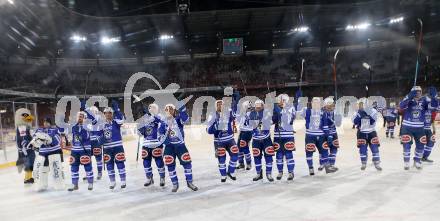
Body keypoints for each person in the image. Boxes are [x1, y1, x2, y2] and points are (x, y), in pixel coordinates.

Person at [297, 95, 338, 175]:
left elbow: (325, 125)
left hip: (321, 136)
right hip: (310, 135)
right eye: (314, 103)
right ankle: (311, 168)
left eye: (318, 103)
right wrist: (299, 105)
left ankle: (327, 168)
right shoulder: (306, 110)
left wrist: (328, 135)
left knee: (324, 151)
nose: (316, 104)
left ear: (320, 104)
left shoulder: (323, 112)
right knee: (309, 151)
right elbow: (296, 114)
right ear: (311, 103)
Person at [399, 86, 438, 170]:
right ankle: (406, 162)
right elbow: (401, 106)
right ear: (413, 92)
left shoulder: (425, 100)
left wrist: (434, 98)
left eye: (420, 91)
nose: (419, 93)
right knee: (406, 144)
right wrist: (409, 98)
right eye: (416, 92)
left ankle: (417, 161)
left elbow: (434, 107)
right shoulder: (408, 98)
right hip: (407, 126)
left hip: (419, 127)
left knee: (421, 144)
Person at [163, 103, 198, 192]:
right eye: (167, 109)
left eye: (171, 109)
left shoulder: (178, 119)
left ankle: (189, 182)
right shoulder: (162, 121)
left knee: (187, 164)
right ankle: (175, 184)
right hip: (169, 147)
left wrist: (182, 110)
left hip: (180, 145)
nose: (169, 111)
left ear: (174, 111)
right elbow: (159, 134)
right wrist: (164, 140)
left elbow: (185, 120)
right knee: (170, 165)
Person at [207, 100, 239, 182]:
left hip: (230, 139)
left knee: (235, 155)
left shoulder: (228, 112)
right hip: (219, 141)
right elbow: (208, 131)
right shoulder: (212, 115)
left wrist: (235, 101)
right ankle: (223, 175)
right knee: (221, 159)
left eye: (222, 104)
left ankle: (231, 172)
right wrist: (216, 125)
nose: (220, 106)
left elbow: (236, 114)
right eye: (218, 104)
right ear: (215, 106)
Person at [31, 117, 65, 191]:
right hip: (43, 153)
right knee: (43, 169)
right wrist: (35, 143)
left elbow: (58, 139)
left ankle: (59, 184)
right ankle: (42, 185)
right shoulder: (39, 130)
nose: (45, 123)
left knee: (57, 168)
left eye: (47, 122)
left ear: (50, 123)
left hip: (54, 151)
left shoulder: (55, 130)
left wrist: (50, 140)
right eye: (44, 122)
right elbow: (34, 138)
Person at [138, 103, 167, 187]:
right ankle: (149, 178)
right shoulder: (145, 118)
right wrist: (140, 130)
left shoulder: (161, 116)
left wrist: (153, 116)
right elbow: (142, 131)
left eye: (153, 107)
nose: (151, 109)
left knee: (159, 161)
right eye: (150, 107)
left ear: (157, 109)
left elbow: (162, 124)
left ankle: (162, 178)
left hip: (157, 143)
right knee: (146, 162)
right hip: (146, 143)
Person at [102, 101, 127, 189]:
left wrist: (117, 110)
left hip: (117, 147)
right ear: (104, 114)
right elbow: (98, 134)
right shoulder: (102, 124)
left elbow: (121, 119)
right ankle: (112, 181)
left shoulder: (116, 122)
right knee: (109, 165)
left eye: (110, 113)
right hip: (107, 148)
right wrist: (100, 140)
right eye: (106, 113)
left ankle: (123, 180)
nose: (108, 114)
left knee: (120, 163)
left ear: (112, 114)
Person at [352, 98, 382, 171]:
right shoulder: (356, 112)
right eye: (361, 104)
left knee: (375, 148)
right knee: (363, 149)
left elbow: (373, 122)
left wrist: (367, 115)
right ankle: (363, 162)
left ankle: (377, 162)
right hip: (361, 133)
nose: (362, 106)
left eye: (364, 104)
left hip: (371, 132)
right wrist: (360, 115)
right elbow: (355, 122)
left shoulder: (373, 111)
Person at [249, 99, 275, 182]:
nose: (258, 108)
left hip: (266, 139)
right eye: (256, 107)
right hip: (256, 139)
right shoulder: (251, 114)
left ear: (263, 106)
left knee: (269, 156)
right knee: (257, 157)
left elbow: (272, 122)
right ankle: (258, 173)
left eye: (259, 107)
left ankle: (269, 173)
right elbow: (250, 125)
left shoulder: (267, 112)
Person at [67, 111, 94, 191]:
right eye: (78, 116)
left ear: (85, 118)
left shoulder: (88, 126)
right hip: (75, 149)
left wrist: (80, 131)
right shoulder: (74, 126)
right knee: (74, 166)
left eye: (81, 117)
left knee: (87, 166)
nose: (79, 118)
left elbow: (86, 136)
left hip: (85, 149)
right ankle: (74, 184)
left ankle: (90, 183)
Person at [272, 94, 296, 181]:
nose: (280, 102)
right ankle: (280, 171)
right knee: (279, 155)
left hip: (288, 135)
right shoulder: (277, 109)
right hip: (277, 135)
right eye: (279, 101)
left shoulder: (291, 108)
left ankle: (290, 172)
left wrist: (278, 109)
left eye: (282, 100)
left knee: (288, 154)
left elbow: (288, 119)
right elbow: (274, 120)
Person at [15, 108, 35, 184]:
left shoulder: (27, 127)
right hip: (26, 149)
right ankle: (27, 178)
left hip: (29, 147)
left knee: (30, 162)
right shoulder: (21, 127)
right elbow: (20, 139)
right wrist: (21, 148)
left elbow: (29, 137)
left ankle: (28, 177)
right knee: (29, 162)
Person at [236, 100, 253, 170]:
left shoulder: (252, 113)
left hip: (247, 132)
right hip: (242, 132)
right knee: (239, 148)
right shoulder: (244, 113)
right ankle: (241, 163)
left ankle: (248, 163)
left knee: (245, 148)